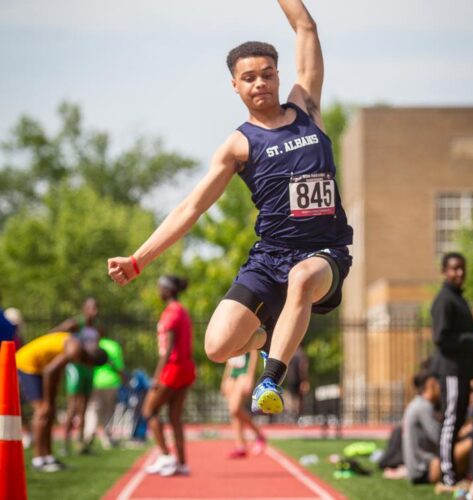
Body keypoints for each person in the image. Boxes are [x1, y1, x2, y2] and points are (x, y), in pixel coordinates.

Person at [108, 0, 352, 416]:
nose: (260, 83)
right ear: (235, 86)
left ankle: (270, 379)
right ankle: (264, 337)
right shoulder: (238, 145)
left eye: (268, 74)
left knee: (301, 276)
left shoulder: (307, 108)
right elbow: (190, 208)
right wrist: (139, 259)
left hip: (323, 254)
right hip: (269, 256)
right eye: (249, 78)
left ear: (279, 76)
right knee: (218, 347)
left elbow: (305, 27)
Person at [15, 331, 107, 472]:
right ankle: (38, 459)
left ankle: (48, 457)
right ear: (90, 361)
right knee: (42, 411)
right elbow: (49, 371)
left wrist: (51, 401)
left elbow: (55, 371)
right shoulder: (75, 349)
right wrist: (46, 401)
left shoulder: (77, 348)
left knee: (50, 411)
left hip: (40, 367)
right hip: (27, 364)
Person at [431, 252, 473, 486]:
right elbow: (441, 338)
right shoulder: (444, 299)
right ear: (444, 271)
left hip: (463, 372)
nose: (459, 273)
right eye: (454, 268)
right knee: (451, 421)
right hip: (452, 371)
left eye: (462, 268)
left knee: (459, 420)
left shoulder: (459, 299)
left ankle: (453, 470)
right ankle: (447, 474)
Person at [142, 275, 196, 477]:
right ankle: (182, 463)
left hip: (172, 369)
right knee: (175, 417)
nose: (158, 291)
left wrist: (156, 377)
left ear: (167, 290)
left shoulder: (171, 313)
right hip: (186, 368)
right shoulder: (182, 311)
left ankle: (165, 456)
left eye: (159, 287)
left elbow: (167, 349)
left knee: (149, 410)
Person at [51, 297, 102, 455]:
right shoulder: (75, 323)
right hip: (76, 368)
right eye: (91, 308)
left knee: (84, 407)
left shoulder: (97, 329)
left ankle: (80, 444)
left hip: (89, 369)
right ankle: (65, 444)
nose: (94, 311)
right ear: (84, 309)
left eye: (96, 308)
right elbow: (53, 334)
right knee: (73, 406)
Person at [402, 369, 471, 485]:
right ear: (432, 384)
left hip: (418, 470)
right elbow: (442, 440)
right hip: (426, 470)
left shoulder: (417, 404)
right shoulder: (423, 407)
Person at [83, 333, 125, 451]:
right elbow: (119, 366)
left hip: (96, 382)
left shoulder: (94, 345)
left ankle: (89, 434)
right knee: (108, 411)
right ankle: (107, 437)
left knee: (93, 409)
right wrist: (123, 380)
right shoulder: (114, 346)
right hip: (112, 382)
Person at [221, 351, 266, 458]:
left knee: (234, 409)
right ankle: (240, 446)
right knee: (234, 413)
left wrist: (250, 377)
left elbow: (254, 354)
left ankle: (259, 434)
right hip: (233, 374)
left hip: (244, 373)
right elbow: (230, 357)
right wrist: (225, 378)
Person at [284, 344, 310, 421]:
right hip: (298, 379)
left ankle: (294, 415)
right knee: (299, 399)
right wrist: (304, 380)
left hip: (291, 379)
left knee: (293, 398)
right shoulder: (301, 355)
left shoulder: (291, 354)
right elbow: (303, 369)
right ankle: (297, 416)